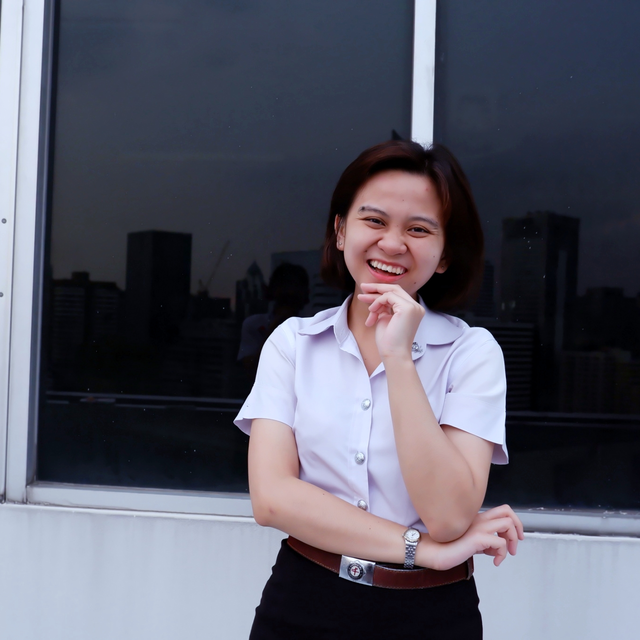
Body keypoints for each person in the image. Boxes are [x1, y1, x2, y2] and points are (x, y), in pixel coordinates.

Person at [234, 140, 524, 639]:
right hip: (302, 602)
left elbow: (449, 516)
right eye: (374, 220)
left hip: (431, 616)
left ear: (444, 255)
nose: (392, 244)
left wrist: (399, 357)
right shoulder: (293, 344)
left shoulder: (471, 353)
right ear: (341, 230)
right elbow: (273, 500)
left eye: (418, 229)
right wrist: (421, 548)